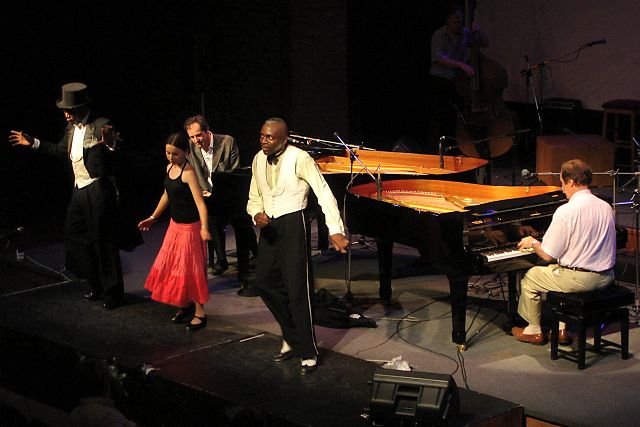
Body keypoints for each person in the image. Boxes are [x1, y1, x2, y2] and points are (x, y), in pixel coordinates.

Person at [9, 82, 125, 310]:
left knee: (103, 241)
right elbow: (62, 151)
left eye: (69, 110)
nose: (66, 115)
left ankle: (113, 293)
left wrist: (111, 144)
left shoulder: (100, 124)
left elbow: (116, 145)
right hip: (79, 190)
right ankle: (96, 284)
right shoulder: (71, 129)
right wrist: (33, 143)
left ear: (82, 107)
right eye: (64, 110)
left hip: (97, 189)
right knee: (75, 236)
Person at [247, 117, 349, 374]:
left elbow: (324, 192)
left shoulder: (300, 158)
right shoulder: (258, 158)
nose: (264, 141)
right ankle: (291, 335)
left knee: (297, 290)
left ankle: (307, 349)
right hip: (269, 225)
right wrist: (256, 213)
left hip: (294, 223)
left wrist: (335, 230)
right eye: (261, 136)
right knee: (263, 282)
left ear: (284, 139)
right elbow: (254, 195)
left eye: (270, 137)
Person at [512, 159, 617, 345]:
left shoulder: (566, 211)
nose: (561, 189)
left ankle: (533, 330)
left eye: (562, 183)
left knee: (531, 277)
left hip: (581, 280)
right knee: (558, 268)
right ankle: (560, 329)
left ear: (571, 182)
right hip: (607, 276)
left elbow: (547, 255)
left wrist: (533, 242)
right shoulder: (606, 207)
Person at [138, 132, 212, 331]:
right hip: (175, 226)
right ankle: (184, 303)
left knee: (192, 270)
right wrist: (153, 217)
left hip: (190, 228)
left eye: (176, 154)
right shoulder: (170, 168)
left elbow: (200, 204)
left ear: (186, 153)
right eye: (168, 153)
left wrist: (204, 227)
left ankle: (200, 312)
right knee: (175, 268)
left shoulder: (188, 173)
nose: (171, 157)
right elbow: (167, 195)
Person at [183, 115, 259, 297]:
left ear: (207, 130)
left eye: (198, 135)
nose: (195, 140)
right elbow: (193, 171)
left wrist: (215, 191)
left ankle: (245, 267)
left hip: (229, 193)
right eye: (192, 137)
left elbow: (233, 171)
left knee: (241, 221)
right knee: (210, 218)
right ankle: (221, 260)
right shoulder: (191, 148)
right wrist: (203, 192)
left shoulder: (226, 142)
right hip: (207, 196)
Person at [428, 7, 488, 153]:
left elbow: (485, 43)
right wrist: (460, 64)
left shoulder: (465, 33)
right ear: (447, 21)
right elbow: (438, 58)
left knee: (457, 118)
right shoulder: (439, 35)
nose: (457, 24)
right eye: (454, 21)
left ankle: (456, 150)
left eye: (460, 21)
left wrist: (477, 33)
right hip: (439, 80)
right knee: (438, 118)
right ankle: (433, 151)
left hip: (458, 82)